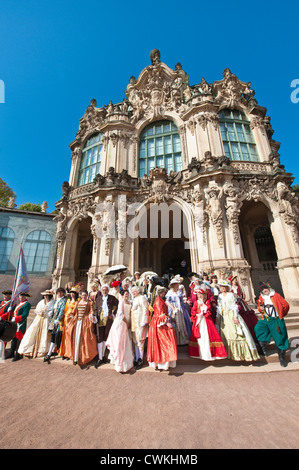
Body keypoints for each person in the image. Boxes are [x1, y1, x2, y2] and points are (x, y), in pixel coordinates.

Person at [216, 280, 260, 362]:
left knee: (236, 333)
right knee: (226, 333)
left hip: (232, 315)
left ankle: (241, 354)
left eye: (224, 287)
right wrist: (217, 316)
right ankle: (229, 353)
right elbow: (219, 306)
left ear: (226, 287)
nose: (222, 288)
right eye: (221, 287)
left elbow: (234, 306)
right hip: (224, 316)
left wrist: (235, 316)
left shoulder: (231, 295)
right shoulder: (220, 296)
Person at [255, 282, 290, 367]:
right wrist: (260, 308)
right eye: (262, 290)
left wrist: (281, 314)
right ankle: (263, 348)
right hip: (266, 318)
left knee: (279, 337)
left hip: (276, 319)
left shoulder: (276, 295)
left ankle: (281, 357)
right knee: (258, 328)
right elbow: (259, 307)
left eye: (265, 288)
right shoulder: (261, 298)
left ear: (268, 288)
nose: (264, 290)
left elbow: (286, 305)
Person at [188, 288, 227, 360]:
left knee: (207, 335)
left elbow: (208, 310)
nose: (199, 296)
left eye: (200, 295)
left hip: (206, 320)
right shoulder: (196, 302)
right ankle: (199, 353)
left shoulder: (207, 302)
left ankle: (209, 354)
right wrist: (197, 314)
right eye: (198, 295)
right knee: (199, 336)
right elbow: (193, 311)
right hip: (199, 320)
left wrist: (204, 309)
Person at [147, 286, 177, 371]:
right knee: (165, 341)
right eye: (163, 292)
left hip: (157, 322)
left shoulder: (159, 300)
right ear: (160, 293)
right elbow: (161, 314)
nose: (164, 294)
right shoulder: (158, 300)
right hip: (159, 323)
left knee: (161, 342)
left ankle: (163, 362)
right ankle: (163, 362)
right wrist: (167, 322)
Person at [64, 290, 98, 366]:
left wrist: (91, 314)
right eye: (82, 295)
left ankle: (82, 357)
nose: (84, 297)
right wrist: (71, 315)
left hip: (85, 322)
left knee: (84, 339)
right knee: (75, 338)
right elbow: (74, 311)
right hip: (77, 322)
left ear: (87, 296)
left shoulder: (89, 303)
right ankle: (75, 357)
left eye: (85, 295)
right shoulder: (77, 303)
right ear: (80, 296)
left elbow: (91, 311)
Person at [18, 290, 55, 359]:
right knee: (32, 332)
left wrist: (49, 313)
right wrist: (39, 313)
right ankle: (29, 349)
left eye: (47, 295)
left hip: (46, 320)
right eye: (44, 295)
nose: (45, 296)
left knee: (44, 335)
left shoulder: (52, 303)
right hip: (38, 319)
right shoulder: (41, 302)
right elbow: (36, 310)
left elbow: (53, 311)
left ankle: (42, 350)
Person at [106, 290, 134, 373]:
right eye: (125, 294)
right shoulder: (121, 302)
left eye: (128, 294)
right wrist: (127, 323)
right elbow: (121, 314)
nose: (127, 295)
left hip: (126, 323)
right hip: (121, 323)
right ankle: (119, 362)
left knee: (124, 341)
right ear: (122, 295)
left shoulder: (129, 302)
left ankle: (125, 362)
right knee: (119, 342)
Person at [92, 284, 119, 368]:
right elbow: (95, 309)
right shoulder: (98, 299)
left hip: (108, 320)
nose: (104, 291)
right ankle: (100, 357)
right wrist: (94, 316)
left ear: (108, 290)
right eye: (103, 290)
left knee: (105, 337)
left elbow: (118, 305)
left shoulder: (112, 298)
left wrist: (113, 314)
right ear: (101, 290)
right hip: (100, 320)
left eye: (106, 290)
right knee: (100, 337)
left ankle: (103, 356)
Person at [229, 275, 259, 344]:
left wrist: (241, 299)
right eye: (233, 280)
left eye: (235, 280)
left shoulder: (239, 287)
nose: (235, 281)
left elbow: (243, 295)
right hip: (235, 303)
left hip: (241, 302)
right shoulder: (230, 288)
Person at [4, 292, 31, 361]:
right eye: (20, 297)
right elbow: (16, 312)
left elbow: (25, 315)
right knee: (14, 338)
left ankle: (18, 354)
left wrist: (16, 318)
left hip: (21, 323)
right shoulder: (19, 304)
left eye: (23, 297)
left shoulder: (27, 304)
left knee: (19, 339)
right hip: (15, 323)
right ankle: (11, 353)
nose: (21, 298)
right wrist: (11, 311)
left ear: (26, 298)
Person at [44, 287, 67, 363]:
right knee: (53, 335)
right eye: (58, 292)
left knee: (58, 336)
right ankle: (50, 352)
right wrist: (52, 312)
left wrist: (59, 319)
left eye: (61, 292)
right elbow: (55, 308)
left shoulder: (63, 301)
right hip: (54, 319)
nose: (59, 294)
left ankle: (57, 351)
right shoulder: (57, 300)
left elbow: (62, 310)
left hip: (59, 321)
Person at [165, 279, 191, 346]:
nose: (177, 285)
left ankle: (182, 340)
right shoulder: (170, 292)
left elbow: (181, 300)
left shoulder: (179, 292)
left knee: (182, 324)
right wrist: (172, 308)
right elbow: (167, 301)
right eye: (176, 284)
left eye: (178, 284)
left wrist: (185, 302)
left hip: (181, 309)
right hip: (173, 310)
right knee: (175, 324)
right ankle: (175, 340)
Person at [131, 285, 150, 369]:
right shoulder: (134, 299)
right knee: (135, 341)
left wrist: (144, 320)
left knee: (140, 341)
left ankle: (141, 359)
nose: (133, 293)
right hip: (134, 323)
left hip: (140, 322)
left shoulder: (142, 298)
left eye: (134, 291)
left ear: (138, 291)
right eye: (132, 292)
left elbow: (145, 308)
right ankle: (137, 358)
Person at [58, 286, 79, 359]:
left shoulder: (77, 301)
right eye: (71, 293)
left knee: (70, 336)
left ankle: (69, 353)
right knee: (64, 336)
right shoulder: (68, 301)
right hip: (66, 319)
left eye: (74, 293)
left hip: (72, 320)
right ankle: (64, 352)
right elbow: (65, 310)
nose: (72, 294)